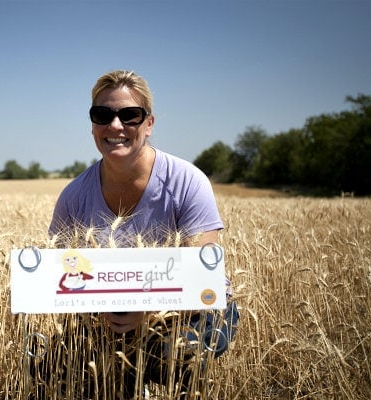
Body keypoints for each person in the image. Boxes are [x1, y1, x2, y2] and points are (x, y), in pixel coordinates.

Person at [34, 70, 238, 399]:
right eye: (102, 115)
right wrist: (104, 310)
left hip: (197, 309)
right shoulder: (74, 196)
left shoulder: (187, 181)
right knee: (51, 369)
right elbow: (59, 274)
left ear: (149, 123)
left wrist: (146, 307)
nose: (115, 126)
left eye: (129, 115)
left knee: (177, 354)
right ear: (92, 124)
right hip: (107, 315)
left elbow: (202, 272)